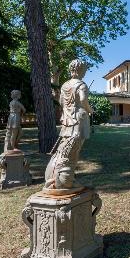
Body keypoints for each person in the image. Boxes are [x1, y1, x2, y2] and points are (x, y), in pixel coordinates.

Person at [44, 59, 93, 193]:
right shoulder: (81, 84)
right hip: (79, 118)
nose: (85, 73)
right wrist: (90, 109)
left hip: (67, 118)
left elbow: (61, 101)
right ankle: (65, 180)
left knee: (65, 145)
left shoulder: (65, 85)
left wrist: (69, 108)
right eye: (84, 70)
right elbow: (83, 100)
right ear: (81, 70)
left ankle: (64, 177)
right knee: (74, 148)